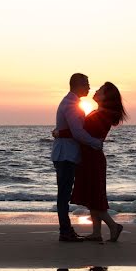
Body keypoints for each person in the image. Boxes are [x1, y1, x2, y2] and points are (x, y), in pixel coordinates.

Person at [64, 82, 128, 242]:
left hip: (93, 159)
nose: (96, 91)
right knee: (93, 196)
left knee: (94, 199)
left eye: (100, 90)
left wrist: (61, 132)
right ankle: (96, 232)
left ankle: (113, 226)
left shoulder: (102, 115)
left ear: (106, 97)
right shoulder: (98, 112)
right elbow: (82, 132)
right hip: (89, 158)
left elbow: (80, 132)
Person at [51, 73, 103, 242]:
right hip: (66, 155)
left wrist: (60, 132)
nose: (89, 87)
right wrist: (95, 142)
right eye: (86, 84)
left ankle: (65, 230)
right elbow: (78, 132)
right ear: (78, 85)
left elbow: (74, 130)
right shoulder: (71, 104)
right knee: (64, 195)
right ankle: (65, 231)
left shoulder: (72, 103)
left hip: (66, 154)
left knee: (64, 194)